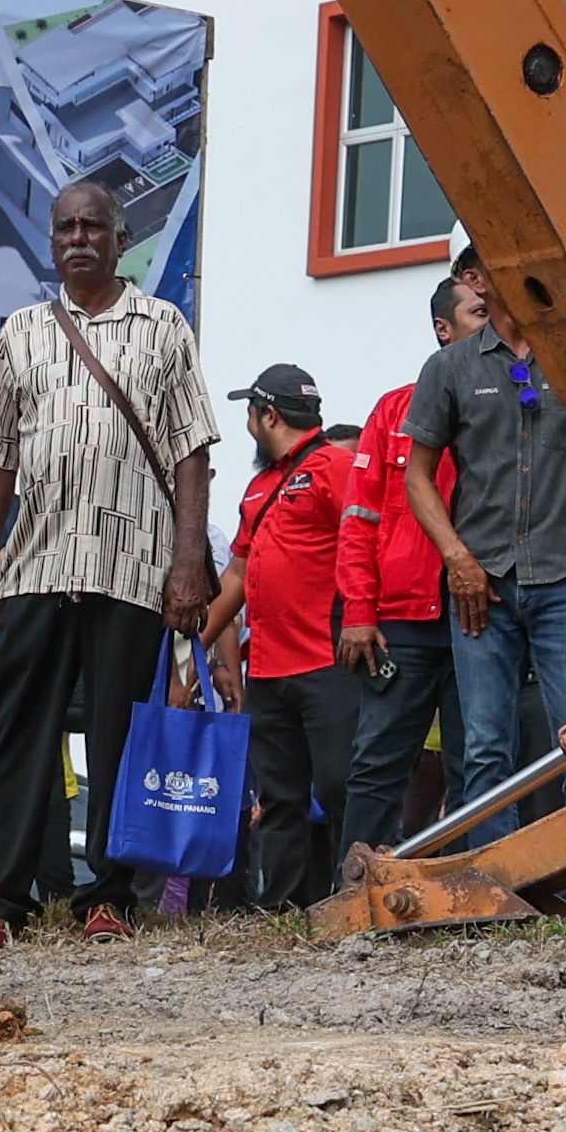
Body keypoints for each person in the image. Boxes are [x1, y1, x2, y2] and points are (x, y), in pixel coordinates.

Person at [0, 180, 212, 940]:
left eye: (92, 226)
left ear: (118, 236)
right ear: (51, 239)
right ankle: (3, 899)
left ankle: (108, 896)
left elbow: (191, 452)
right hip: (36, 563)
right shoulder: (22, 331)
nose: (78, 238)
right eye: (65, 226)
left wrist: (186, 563)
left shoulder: (163, 325)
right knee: (20, 734)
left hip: (131, 564)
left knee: (117, 738)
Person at [408, 246, 566, 866]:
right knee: (485, 748)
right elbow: (417, 476)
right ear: (473, 278)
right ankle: (496, 891)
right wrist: (456, 557)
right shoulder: (448, 367)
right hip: (484, 586)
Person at [205, 363, 363, 911]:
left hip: (327, 661)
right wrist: (194, 641)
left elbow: (367, 542)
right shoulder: (259, 487)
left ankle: (358, 898)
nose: (248, 425)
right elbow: (237, 575)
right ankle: (287, 907)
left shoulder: (335, 467)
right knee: (277, 798)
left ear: (267, 415)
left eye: (250, 413)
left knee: (342, 787)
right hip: (268, 670)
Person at [338, 277, 471, 868]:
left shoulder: (509, 407)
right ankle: (353, 886)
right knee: (378, 763)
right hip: (403, 623)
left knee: (479, 763)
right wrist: (360, 611)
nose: (491, 323)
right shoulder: (394, 409)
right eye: (477, 312)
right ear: (443, 328)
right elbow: (359, 519)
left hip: (480, 620)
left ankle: (468, 893)